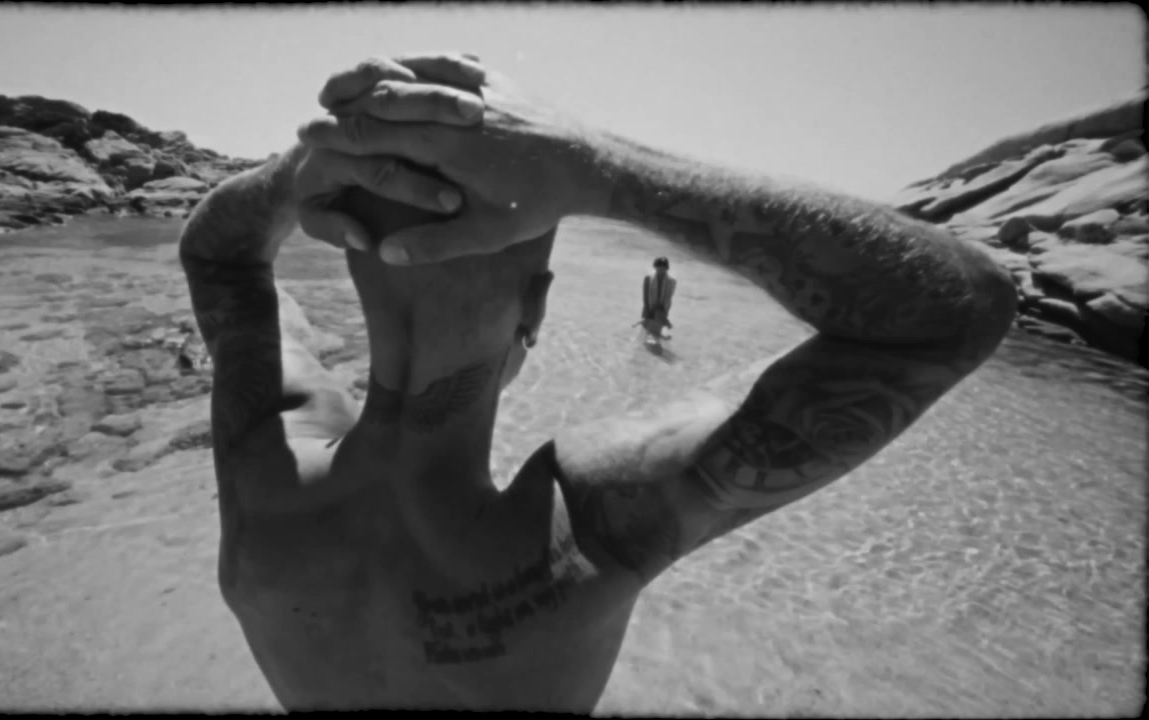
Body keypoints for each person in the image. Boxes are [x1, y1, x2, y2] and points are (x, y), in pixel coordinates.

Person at [179, 52, 1018, 712]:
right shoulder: (581, 527)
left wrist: (306, 163)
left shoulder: (266, 460)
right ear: (537, 304)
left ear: (351, 254)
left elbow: (217, 256)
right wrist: (602, 170)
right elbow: (960, 307)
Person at [641, 256, 676, 344]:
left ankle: (660, 335)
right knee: (644, 333)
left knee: (655, 335)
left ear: (667, 269)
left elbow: (668, 297)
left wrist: (663, 314)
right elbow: (645, 296)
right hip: (649, 307)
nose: (661, 270)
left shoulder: (672, 281)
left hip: (661, 309)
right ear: (655, 267)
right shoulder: (648, 278)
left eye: (663, 268)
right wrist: (647, 310)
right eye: (659, 267)